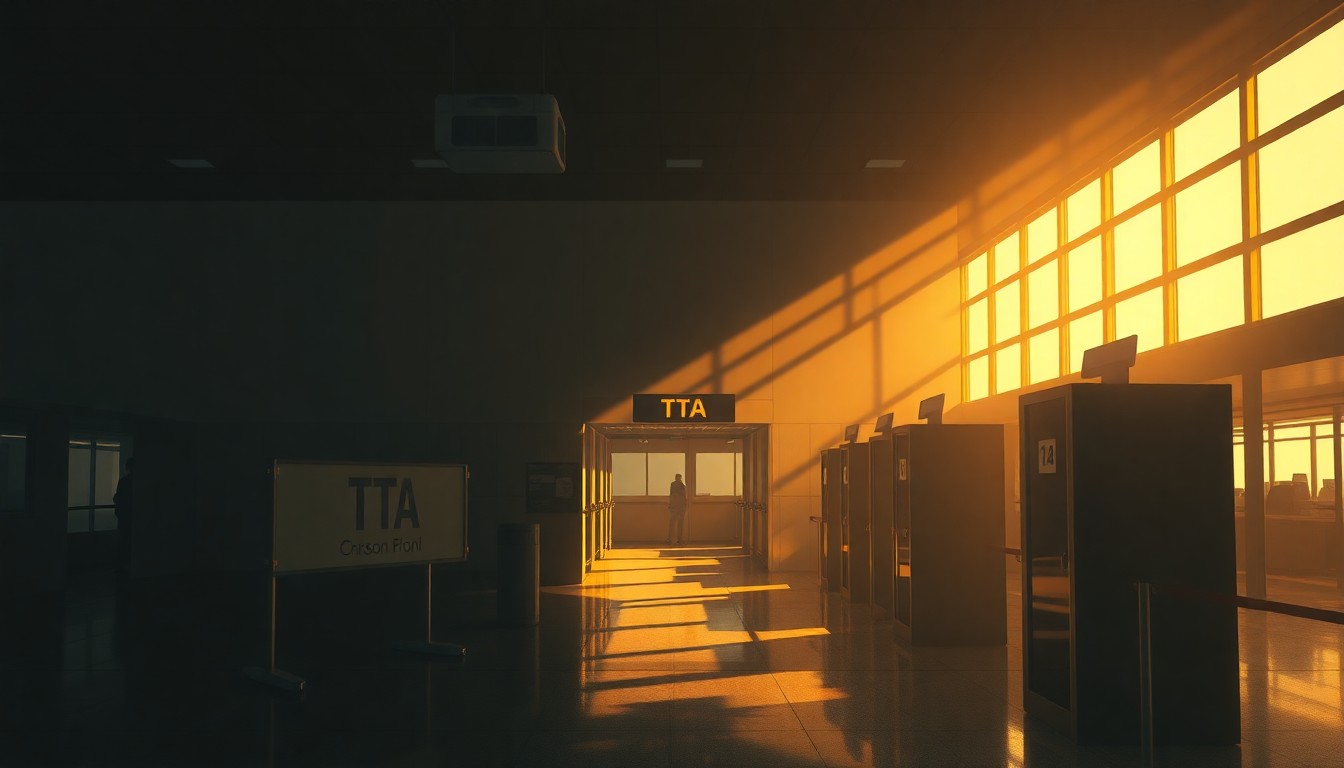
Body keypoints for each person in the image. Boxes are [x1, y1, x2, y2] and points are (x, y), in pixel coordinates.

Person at [113, 457, 134, 583]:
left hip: (124, 518)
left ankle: (122, 567)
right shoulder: (140, 482)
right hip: (131, 518)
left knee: (123, 542)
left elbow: (118, 498)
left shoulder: (124, 482)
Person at [667, 473, 687, 546]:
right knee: (679, 524)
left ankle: (670, 539)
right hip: (680, 507)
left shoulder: (673, 485)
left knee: (672, 523)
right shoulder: (682, 486)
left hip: (675, 507)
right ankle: (679, 540)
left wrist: (670, 506)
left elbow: (671, 496)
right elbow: (684, 497)